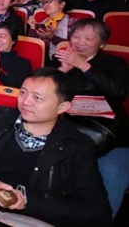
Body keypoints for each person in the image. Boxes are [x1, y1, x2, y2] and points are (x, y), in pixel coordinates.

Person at [0, 68, 113, 227]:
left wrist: (29, 202)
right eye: (23, 92)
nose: (25, 102)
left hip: (34, 218)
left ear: (62, 107)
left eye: (37, 98)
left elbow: (96, 211)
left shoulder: (77, 146)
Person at [55, 19, 129, 217]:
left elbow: (119, 91)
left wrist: (83, 65)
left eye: (88, 38)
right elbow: (45, 93)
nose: (80, 42)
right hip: (69, 131)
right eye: (76, 36)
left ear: (102, 44)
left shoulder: (115, 63)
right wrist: (63, 71)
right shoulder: (62, 59)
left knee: (112, 172)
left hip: (108, 134)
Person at [27, 0, 75, 64]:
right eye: (44, 3)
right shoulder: (43, 23)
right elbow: (33, 47)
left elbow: (75, 46)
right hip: (44, 60)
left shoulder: (73, 23)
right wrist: (33, 27)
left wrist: (52, 38)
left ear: (62, 4)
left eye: (49, 1)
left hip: (65, 60)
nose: (45, 5)